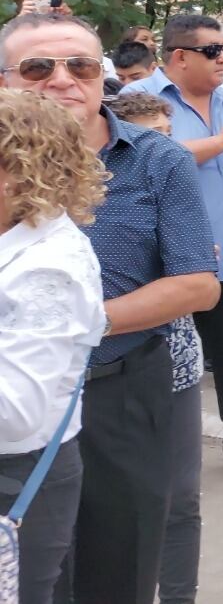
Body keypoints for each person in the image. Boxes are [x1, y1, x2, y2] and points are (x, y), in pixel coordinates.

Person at [0, 11, 220, 603]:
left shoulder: (159, 158)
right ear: (5, 81)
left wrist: (68, 325)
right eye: (38, 67)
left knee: (117, 569)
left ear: (103, 76)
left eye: (81, 65)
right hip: (12, 415)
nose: (63, 79)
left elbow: (198, 284)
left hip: (119, 391)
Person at [125, 14, 223, 485]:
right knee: (156, 361)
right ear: (180, 56)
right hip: (165, 264)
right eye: (214, 51)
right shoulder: (138, 101)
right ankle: (152, 454)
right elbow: (146, 159)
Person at [0, 90, 106, 604]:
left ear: (18, 172)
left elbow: (15, 414)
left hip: (17, 475)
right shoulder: (16, 239)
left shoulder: (49, 267)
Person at [105, 94, 205, 604]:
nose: (163, 145)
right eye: (150, 135)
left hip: (174, 360)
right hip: (99, 373)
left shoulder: (171, 175)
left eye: (168, 134)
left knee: (180, 499)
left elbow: (197, 280)